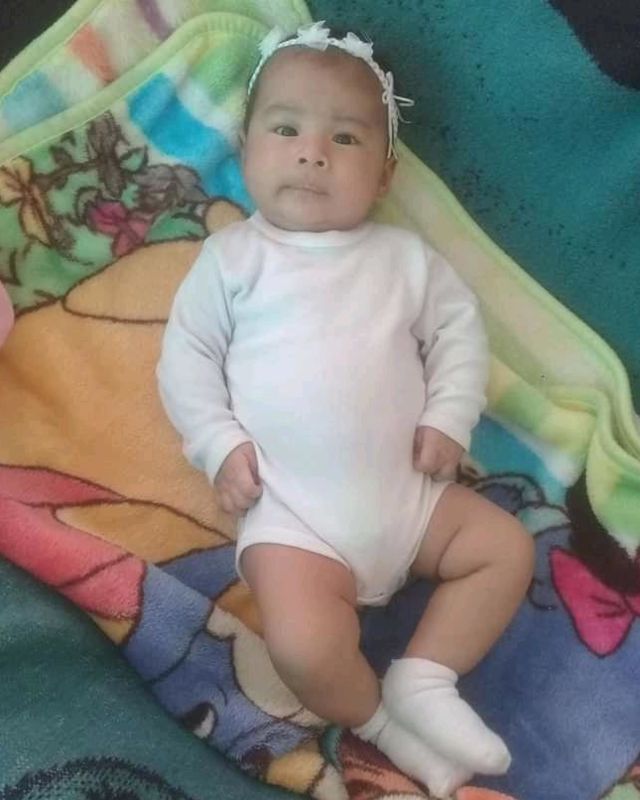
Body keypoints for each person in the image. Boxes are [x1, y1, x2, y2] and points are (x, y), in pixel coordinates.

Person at [157, 21, 534, 798]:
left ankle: (425, 677)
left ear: (386, 174)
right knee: (302, 644)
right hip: (295, 518)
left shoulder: (405, 261)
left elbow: (460, 335)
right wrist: (218, 443)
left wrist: (448, 418)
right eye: (286, 129)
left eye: (346, 137)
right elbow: (186, 359)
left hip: (415, 500)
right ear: (246, 148)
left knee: (506, 550)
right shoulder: (232, 260)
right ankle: (384, 725)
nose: (312, 153)